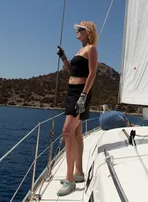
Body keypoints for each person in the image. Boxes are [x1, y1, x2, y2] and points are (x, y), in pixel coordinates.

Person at [55, 21, 98, 197]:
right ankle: (78, 173)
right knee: (76, 133)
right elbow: (72, 70)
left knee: (67, 131)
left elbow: (92, 73)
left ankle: (70, 180)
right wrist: (64, 57)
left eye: (80, 29)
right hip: (72, 91)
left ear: (87, 32)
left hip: (80, 93)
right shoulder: (79, 51)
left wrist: (83, 96)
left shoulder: (91, 49)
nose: (77, 32)